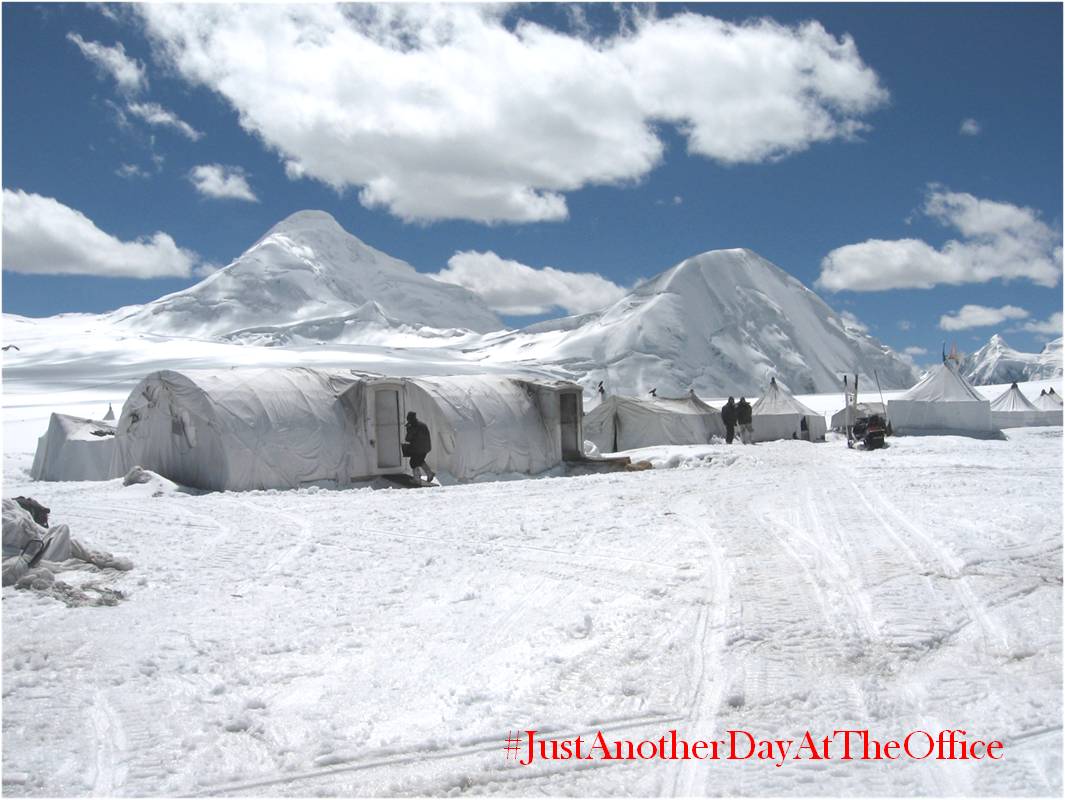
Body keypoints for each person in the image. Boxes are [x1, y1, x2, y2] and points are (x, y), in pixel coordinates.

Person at [404, 411, 435, 483]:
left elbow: (408, 438)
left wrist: (408, 429)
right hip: (426, 448)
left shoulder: (413, 427)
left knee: (413, 462)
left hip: (418, 449)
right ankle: (429, 474)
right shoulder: (422, 424)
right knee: (420, 460)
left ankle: (417, 478)